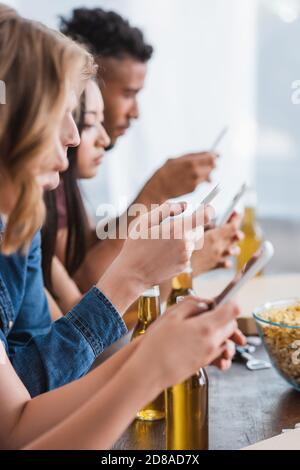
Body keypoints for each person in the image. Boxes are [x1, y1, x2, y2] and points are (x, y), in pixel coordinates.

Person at [0, 4, 245, 450]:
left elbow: (21, 412)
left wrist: (158, 348)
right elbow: (16, 432)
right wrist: (149, 350)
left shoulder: (18, 226)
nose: (76, 137)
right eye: (62, 110)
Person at [54, 7, 243, 295]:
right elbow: (85, 299)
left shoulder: (66, 179)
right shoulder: (45, 181)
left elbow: (84, 252)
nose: (136, 113)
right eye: (128, 94)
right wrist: (157, 194)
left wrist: (177, 244)